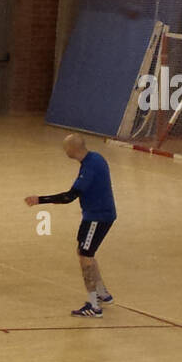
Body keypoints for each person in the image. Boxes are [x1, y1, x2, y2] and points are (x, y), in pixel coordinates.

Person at [24, 133, 117, 317]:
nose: (64, 151)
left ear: (73, 149)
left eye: (65, 148)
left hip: (97, 217)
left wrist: (39, 200)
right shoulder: (96, 158)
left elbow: (69, 197)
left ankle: (94, 306)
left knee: (85, 256)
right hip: (98, 214)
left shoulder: (89, 168)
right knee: (84, 251)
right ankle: (102, 293)